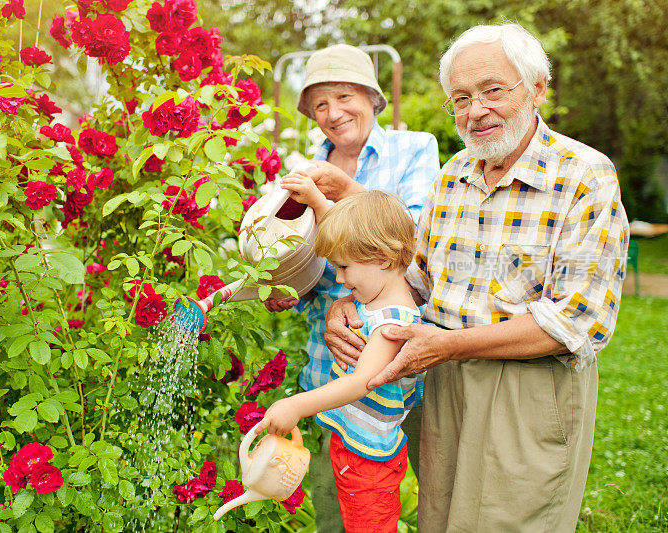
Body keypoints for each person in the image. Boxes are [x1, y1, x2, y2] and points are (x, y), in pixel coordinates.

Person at [325, 24, 629, 532]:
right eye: (461, 98)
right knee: (443, 519)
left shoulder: (584, 176)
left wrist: (451, 345)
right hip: (444, 382)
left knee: (512, 522)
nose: (476, 111)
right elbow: (415, 278)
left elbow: (579, 323)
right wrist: (348, 305)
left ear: (537, 88)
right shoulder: (454, 174)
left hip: (529, 389)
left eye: (493, 90)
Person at [265, 43, 440, 531]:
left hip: (405, 360)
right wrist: (288, 291)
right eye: (320, 104)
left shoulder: (415, 148)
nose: (333, 113)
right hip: (332, 366)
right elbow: (300, 260)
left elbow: (419, 243)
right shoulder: (302, 171)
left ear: (371, 96)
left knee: (440, 496)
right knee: (337, 508)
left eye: (344, 96)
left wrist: (340, 194)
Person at [256, 189, 420, 533]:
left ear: (384, 260)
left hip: (370, 462)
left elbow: (362, 381)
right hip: (353, 444)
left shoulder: (393, 322)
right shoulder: (371, 300)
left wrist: (297, 405)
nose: (341, 280)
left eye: (344, 268)